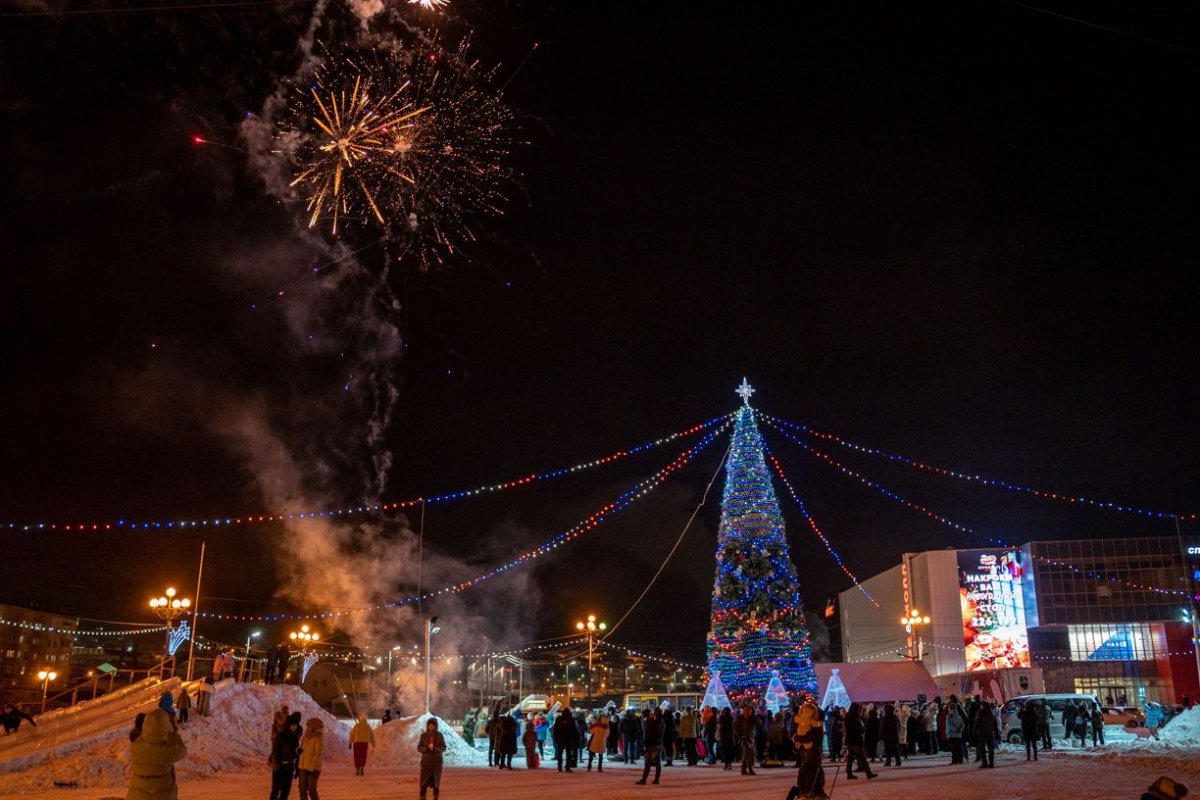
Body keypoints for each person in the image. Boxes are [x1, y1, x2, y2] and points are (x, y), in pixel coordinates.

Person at [126, 708, 186, 800]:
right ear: (166, 726)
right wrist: (172, 734)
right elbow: (182, 751)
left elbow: (145, 736)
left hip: (137, 796)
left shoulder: (136, 746)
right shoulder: (167, 751)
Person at [787, 702, 825, 800]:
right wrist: (797, 739)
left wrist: (796, 738)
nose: (805, 713)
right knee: (805, 772)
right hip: (806, 753)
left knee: (808, 772)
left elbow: (808, 738)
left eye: (808, 711)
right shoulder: (803, 724)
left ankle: (808, 792)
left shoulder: (815, 726)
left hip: (813, 753)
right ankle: (804, 791)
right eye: (804, 711)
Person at [269, 712, 301, 800]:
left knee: (285, 791)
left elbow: (293, 751)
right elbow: (275, 752)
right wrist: (277, 766)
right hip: (280, 767)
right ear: (288, 725)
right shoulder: (281, 736)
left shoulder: (294, 737)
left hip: (289, 767)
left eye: (296, 726)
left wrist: (298, 752)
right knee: (275, 790)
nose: (295, 727)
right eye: (293, 725)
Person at [843, 702, 877, 780]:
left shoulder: (848, 717)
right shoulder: (855, 718)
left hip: (850, 739)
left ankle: (849, 772)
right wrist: (863, 729)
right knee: (863, 757)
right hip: (856, 740)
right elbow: (859, 729)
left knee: (851, 757)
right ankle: (869, 773)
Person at [418, 718, 447, 800]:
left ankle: (435, 795)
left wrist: (435, 749)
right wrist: (426, 749)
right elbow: (419, 747)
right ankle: (422, 795)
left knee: (436, 780)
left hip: (436, 762)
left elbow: (443, 747)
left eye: (432, 725)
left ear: (435, 726)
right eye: (429, 725)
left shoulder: (439, 735)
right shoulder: (423, 736)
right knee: (424, 780)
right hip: (426, 762)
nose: (431, 727)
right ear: (427, 726)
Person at [298, 718, 324, 800]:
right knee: (302, 789)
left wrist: (310, 768)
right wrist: (299, 751)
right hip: (302, 766)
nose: (307, 727)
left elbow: (317, 755)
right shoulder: (305, 737)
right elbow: (302, 749)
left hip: (313, 769)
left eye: (309, 726)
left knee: (311, 789)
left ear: (314, 727)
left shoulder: (319, 738)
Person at [636, 708, 663, 785]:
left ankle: (644, 779)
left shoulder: (649, 723)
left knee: (647, 763)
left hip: (651, 745)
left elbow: (647, 735)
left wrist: (645, 745)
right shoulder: (662, 723)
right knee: (658, 763)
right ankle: (657, 779)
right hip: (659, 744)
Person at [734, 702, 759, 776]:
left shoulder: (752, 718)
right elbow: (735, 727)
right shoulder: (741, 718)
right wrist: (740, 735)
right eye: (750, 710)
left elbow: (759, 723)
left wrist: (754, 717)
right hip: (743, 738)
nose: (751, 712)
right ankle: (750, 769)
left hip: (750, 737)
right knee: (747, 753)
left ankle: (743, 769)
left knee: (747, 754)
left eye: (752, 711)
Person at [553, 705, 578, 772]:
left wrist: (555, 738)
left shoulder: (558, 719)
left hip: (560, 738)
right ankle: (567, 767)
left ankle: (559, 767)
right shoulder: (571, 719)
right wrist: (575, 739)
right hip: (568, 738)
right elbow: (574, 730)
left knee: (560, 753)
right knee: (568, 753)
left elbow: (555, 729)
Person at [973, 700, 996, 768]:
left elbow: (977, 723)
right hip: (990, 732)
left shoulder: (980, 712)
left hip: (982, 732)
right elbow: (994, 724)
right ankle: (991, 762)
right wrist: (996, 732)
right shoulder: (991, 713)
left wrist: (974, 731)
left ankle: (984, 762)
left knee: (982, 748)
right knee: (991, 748)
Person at [946, 698, 966, 764]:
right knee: (959, 747)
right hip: (959, 734)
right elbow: (962, 723)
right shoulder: (959, 714)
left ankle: (955, 760)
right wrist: (960, 729)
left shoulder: (949, 715)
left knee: (954, 748)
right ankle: (960, 760)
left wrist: (952, 731)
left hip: (952, 734)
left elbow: (949, 724)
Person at [718, 706, 736, 770]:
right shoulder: (731, 718)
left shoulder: (721, 718)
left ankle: (726, 764)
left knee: (724, 751)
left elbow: (719, 727)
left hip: (723, 736)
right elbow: (733, 727)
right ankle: (729, 764)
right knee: (729, 751)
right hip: (729, 736)